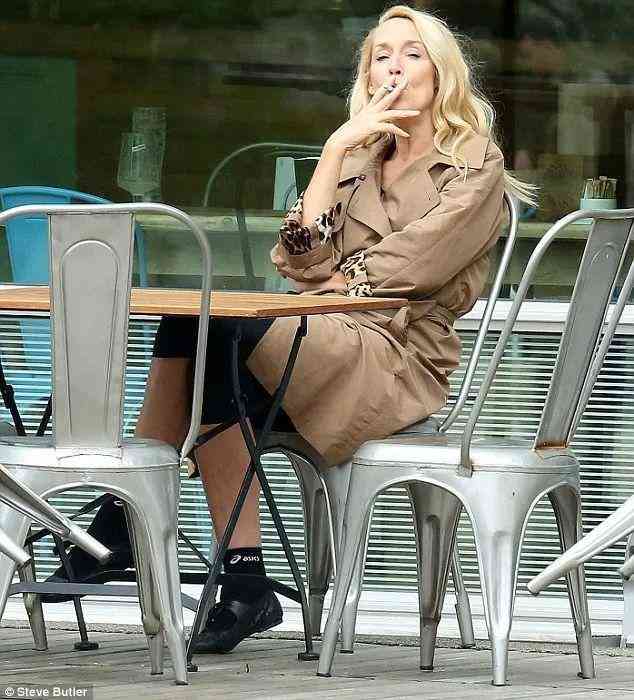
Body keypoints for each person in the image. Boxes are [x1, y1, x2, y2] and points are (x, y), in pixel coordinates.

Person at [42, 5, 535, 653]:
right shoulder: (359, 156)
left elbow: (419, 264)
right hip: (324, 336)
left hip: (397, 358)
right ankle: (231, 574)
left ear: (441, 72)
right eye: (381, 55)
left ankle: (126, 528)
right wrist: (334, 151)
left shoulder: (474, 162)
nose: (394, 66)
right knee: (193, 324)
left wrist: (337, 283)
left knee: (216, 340)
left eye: (412, 54)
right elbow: (299, 258)